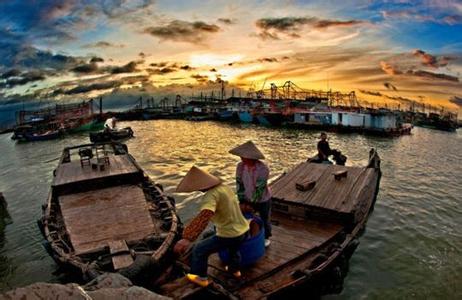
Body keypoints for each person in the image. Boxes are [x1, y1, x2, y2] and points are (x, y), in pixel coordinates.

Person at [173, 166, 249, 287]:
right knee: (233, 251)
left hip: (229, 234)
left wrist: (187, 238)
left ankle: (200, 278)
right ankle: (235, 273)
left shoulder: (211, 196)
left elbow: (205, 215)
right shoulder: (224, 187)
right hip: (243, 230)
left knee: (199, 249)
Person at [229, 141, 272, 247]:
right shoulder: (240, 167)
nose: (242, 159)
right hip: (247, 197)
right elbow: (239, 184)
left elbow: (259, 189)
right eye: (241, 157)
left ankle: (266, 236)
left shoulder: (263, 169)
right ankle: (248, 234)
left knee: (264, 218)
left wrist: (252, 204)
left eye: (244, 157)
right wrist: (242, 200)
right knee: (246, 217)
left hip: (262, 199)